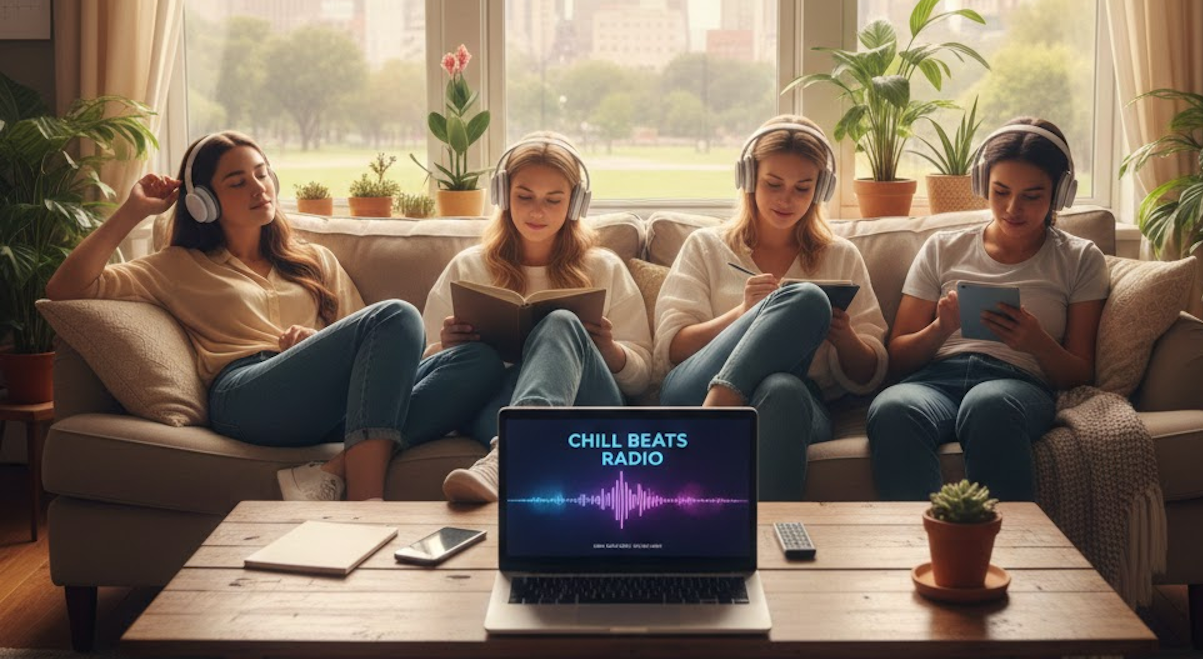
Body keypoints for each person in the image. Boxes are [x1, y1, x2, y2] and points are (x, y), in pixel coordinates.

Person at [45, 131, 431, 502]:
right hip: (246, 394)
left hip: (328, 403)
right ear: (203, 202)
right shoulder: (177, 266)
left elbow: (370, 342)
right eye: (237, 181)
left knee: (472, 364)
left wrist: (315, 343)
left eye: (262, 174)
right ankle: (367, 507)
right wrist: (132, 212)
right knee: (398, 314)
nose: (259, 188)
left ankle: (333, 471)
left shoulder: (314, 260)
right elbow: (67, 288)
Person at [866, 117, 1110, 502]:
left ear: (1060, 193)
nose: (1013, 208)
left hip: (1016, 384)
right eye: (1001, 191)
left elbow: (1081, 371)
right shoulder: (943, 247)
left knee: (989, 405)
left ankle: (1002, 551)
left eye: (1032, 195)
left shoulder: (1080, 259)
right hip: (935, 380)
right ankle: (921, 551)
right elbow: (896, 358)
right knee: (893, 407)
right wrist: (939, 329)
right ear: (982, 184)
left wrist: (1037, 342)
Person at [654, 115, 889, 500]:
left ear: (820, 190)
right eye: (773, 184)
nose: (786, 199)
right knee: (807, 297)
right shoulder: (705, 246)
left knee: (783, 385)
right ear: (749, 179)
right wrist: (743, 315)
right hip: (694, 394)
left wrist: (845, 338)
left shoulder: (841, 255)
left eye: (803, 188)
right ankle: (720, 405)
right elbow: (672, 349)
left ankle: (766, 541)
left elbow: (870, 373)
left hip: (796, 399)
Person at [422, 132, 653, 503]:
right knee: (496, 380)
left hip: (588, 403)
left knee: (561, 322)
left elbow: (643, 380)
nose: (537, 212)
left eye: (553, 200)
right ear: (502, 195)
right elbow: (426, 372)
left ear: (576, 203)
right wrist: (445, 348)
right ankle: (523, 447)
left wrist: (610, 352)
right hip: (499, 404)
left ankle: (511, 454)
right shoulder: (468, 266)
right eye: (524, 197)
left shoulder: (604, 267)